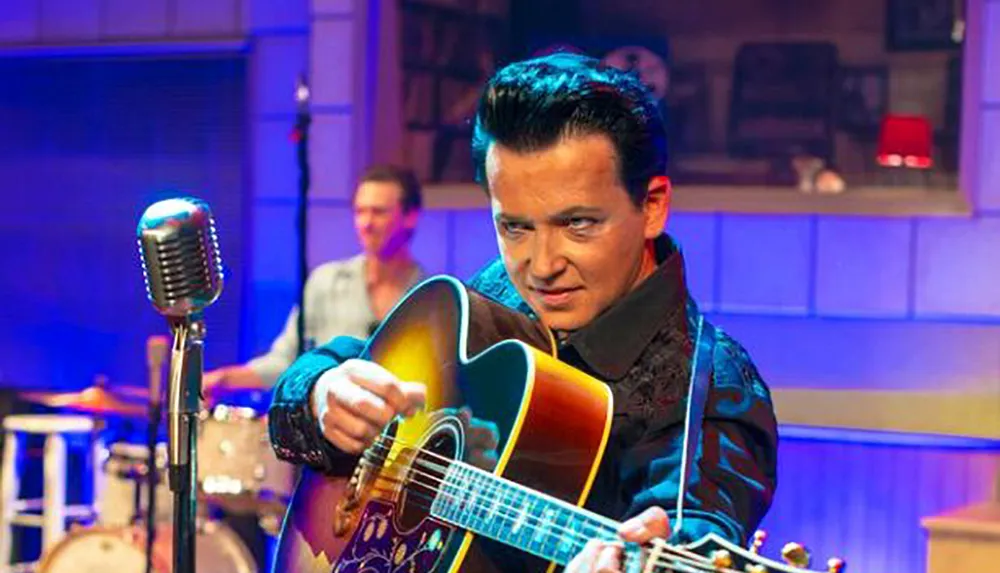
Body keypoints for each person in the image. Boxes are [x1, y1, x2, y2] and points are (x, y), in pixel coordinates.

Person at [267, 53, 778, 573]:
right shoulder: (496, 293)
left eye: (577, 224)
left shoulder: (711, 387)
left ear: (652, 206)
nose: (542, 265)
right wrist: (321, 393)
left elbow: (695, 529)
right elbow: (350, 364)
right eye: (515, 228)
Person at [204, 164, 426, 397]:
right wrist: (224, 380)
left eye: (378, 212)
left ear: (410, 216)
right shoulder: (325, 282)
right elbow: (286, 361)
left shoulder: (428, 298)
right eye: (360, 211)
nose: (366, 224)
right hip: (327, 429)